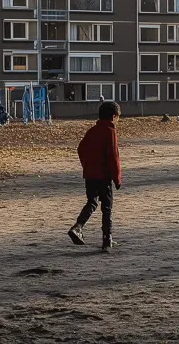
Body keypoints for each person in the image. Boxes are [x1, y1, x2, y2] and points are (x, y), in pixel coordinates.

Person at [68, 101, 122, 252]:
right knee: (107, 207)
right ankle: (107, 239)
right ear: (113, 117)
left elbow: (81, 148)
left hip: (90, 175)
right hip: (104, 176)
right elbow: (113, 156)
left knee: (92, 202)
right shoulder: (110, 131)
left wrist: (87, 165)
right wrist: (117, 178)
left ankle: (78, 226)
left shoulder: (92, 131)